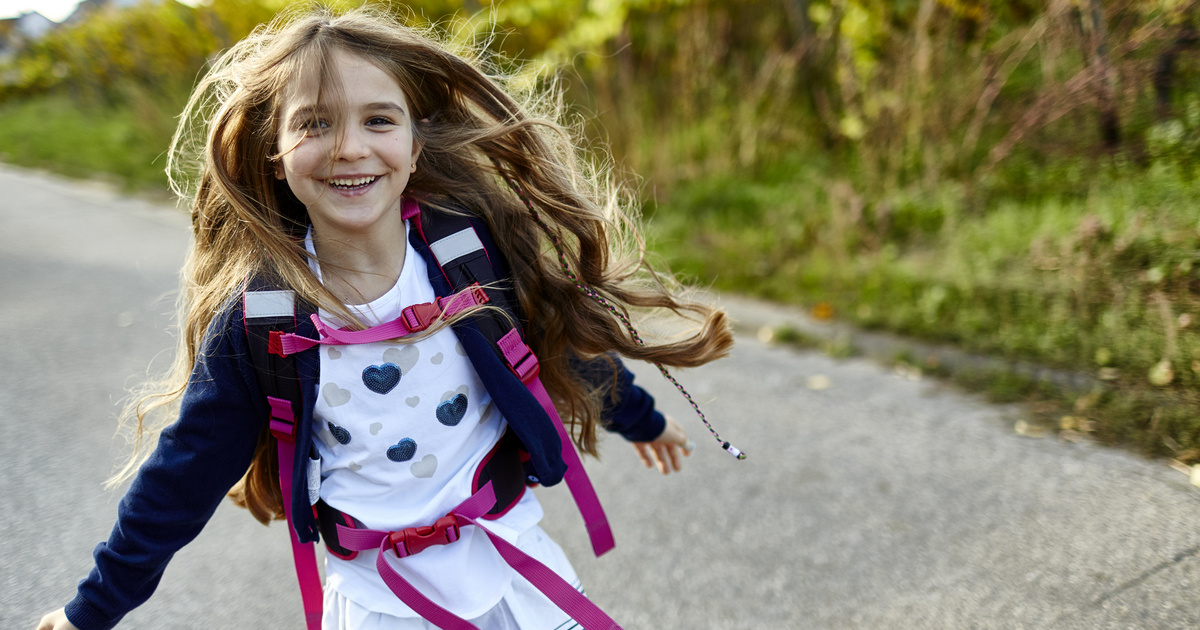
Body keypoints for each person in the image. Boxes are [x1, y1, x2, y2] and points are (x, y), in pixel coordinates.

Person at [36, 5, 732, 630]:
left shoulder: (466, 253)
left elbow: (553, 341)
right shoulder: (261, 319)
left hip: (516, 569)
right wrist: (89, 612)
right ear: (274, 156)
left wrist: (638, 416)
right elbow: (181, 478)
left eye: (378, 119)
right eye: (314, 123)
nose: (349, 147)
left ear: (413, 145)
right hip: (380, 601)